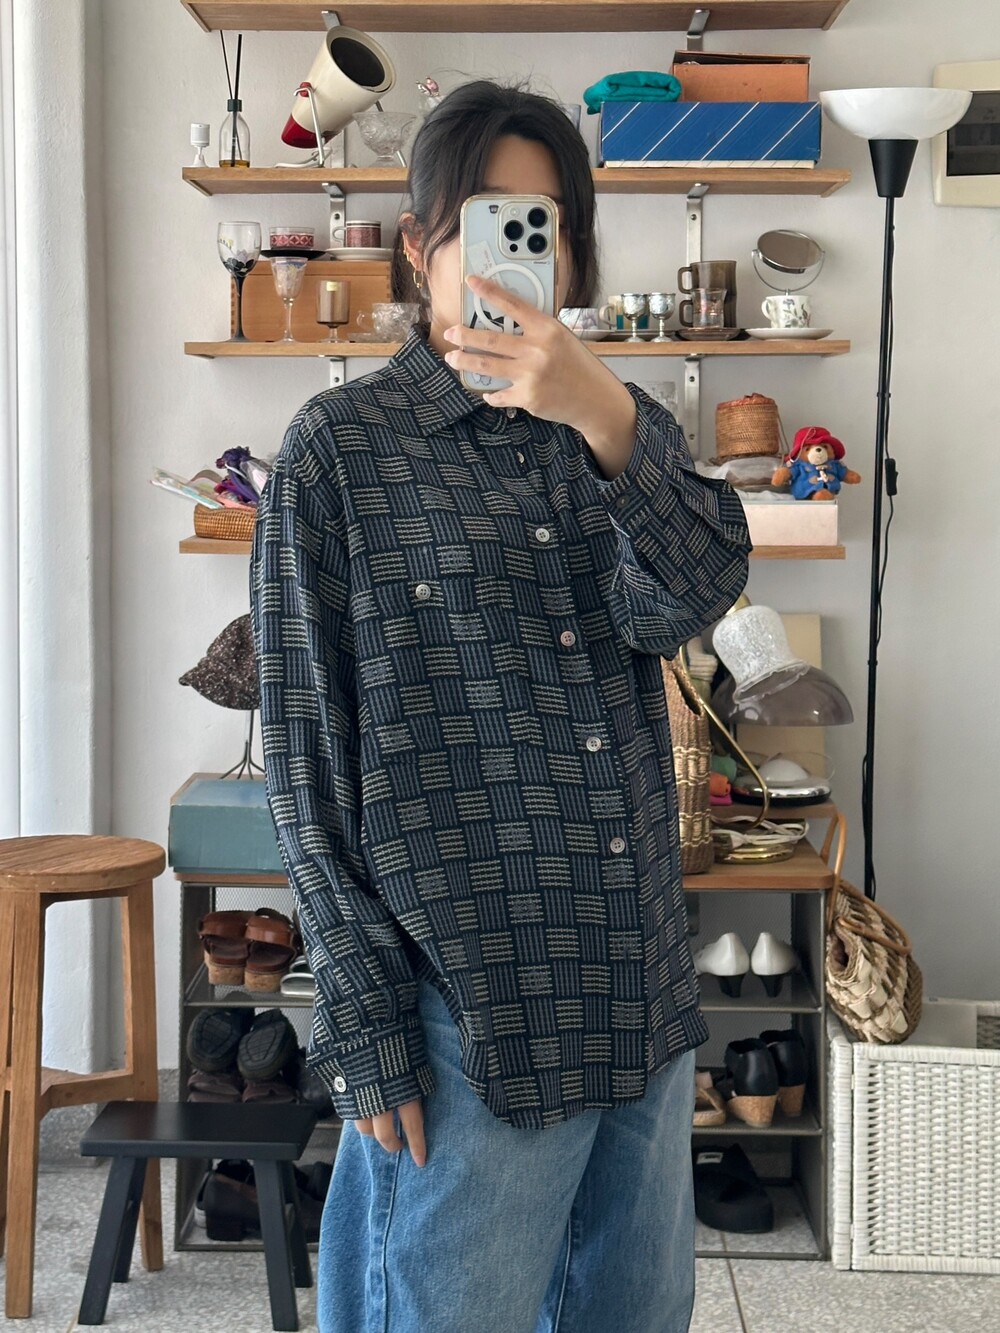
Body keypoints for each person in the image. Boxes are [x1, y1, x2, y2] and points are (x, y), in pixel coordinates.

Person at [249, 79, 751, 1333]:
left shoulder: (614, 430)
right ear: (420, 243)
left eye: (547, 223)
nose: (520, 248)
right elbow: (306, 759)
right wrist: (362, 1022)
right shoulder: (339, 450)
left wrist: (601, 412)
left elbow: (695, 590)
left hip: (635, 984)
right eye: (487, 216)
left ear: (573, 252)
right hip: (461, 1002)